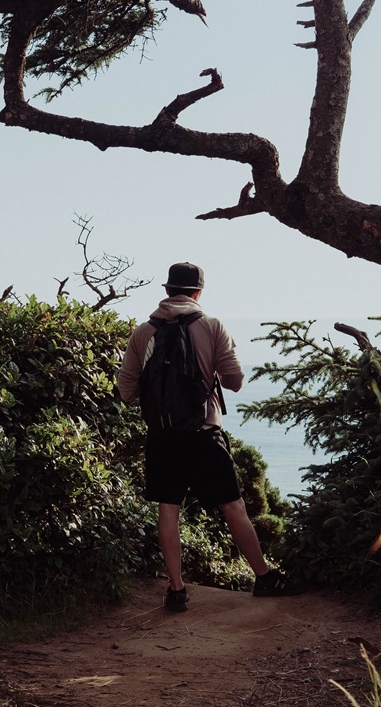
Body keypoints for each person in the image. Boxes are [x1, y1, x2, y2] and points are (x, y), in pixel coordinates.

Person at [118, 262, 301, 611]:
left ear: (167, 290)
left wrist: (161, 403)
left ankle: (176, 590)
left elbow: (126, 389)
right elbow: (234, 381)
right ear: (198, 292)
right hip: (204, 434)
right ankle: (264, 578)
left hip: (162, 437)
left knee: (168, 509)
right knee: (232, 505)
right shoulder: (212, 325)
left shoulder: (143, 332)